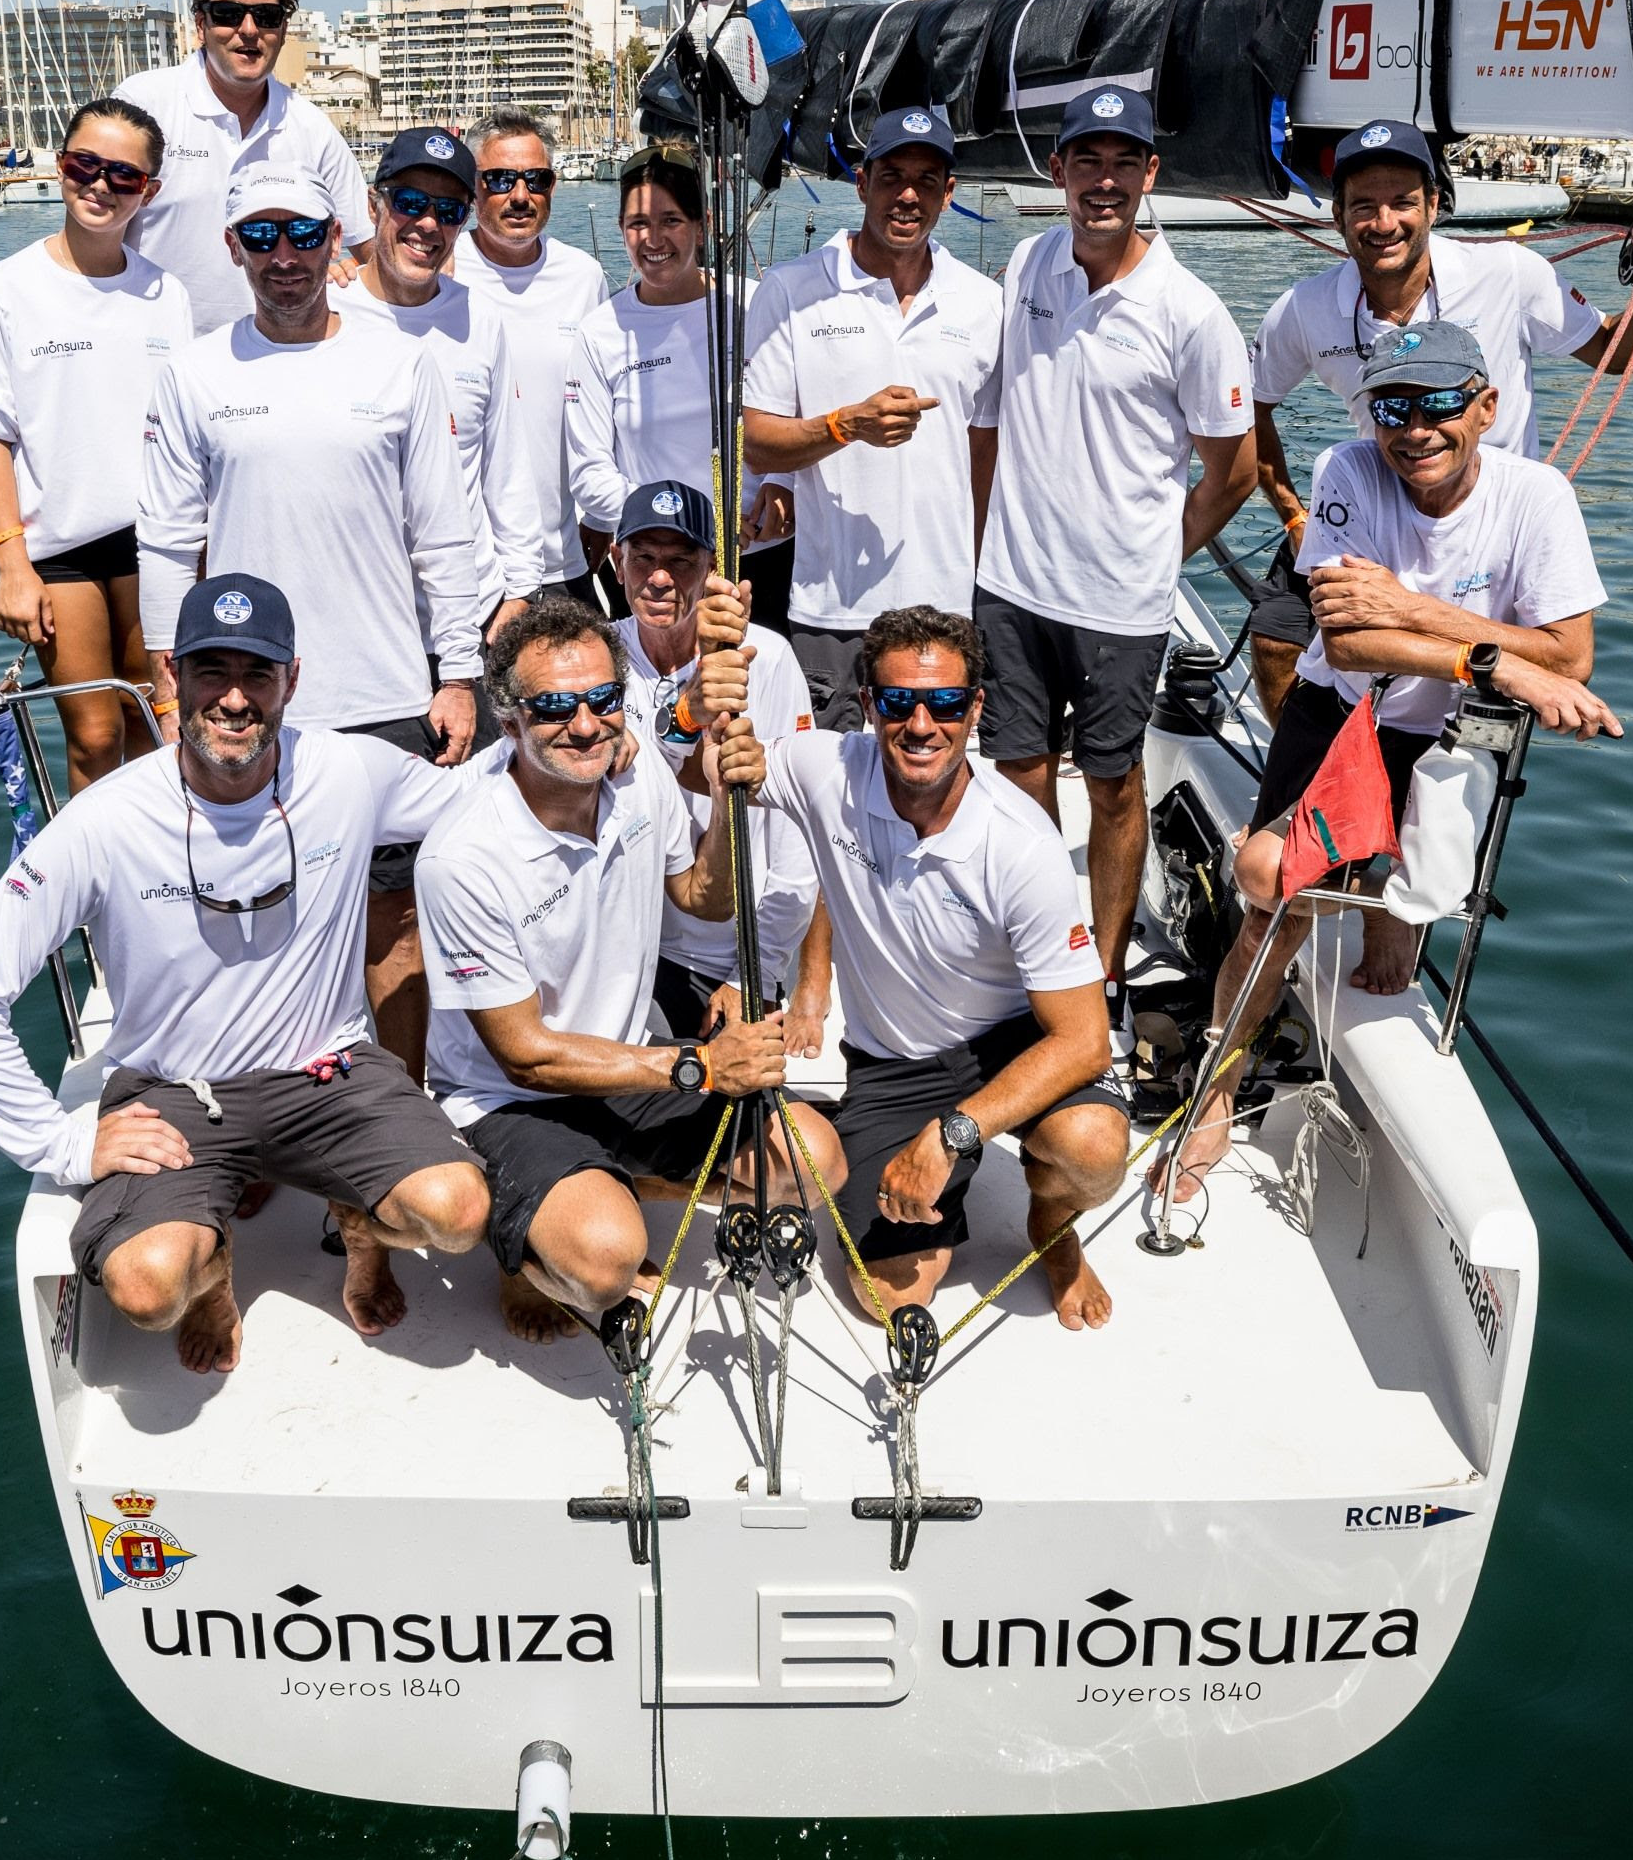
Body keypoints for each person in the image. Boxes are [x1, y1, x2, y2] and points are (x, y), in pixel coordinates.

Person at [0, 575, 493, 1378]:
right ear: (171, 675)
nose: (233, 697)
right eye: (210, 670)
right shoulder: (103, 819)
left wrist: (610, 726)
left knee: (459, 1213)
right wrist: (62, 1142)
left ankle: (361, 1226)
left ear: (292, 680)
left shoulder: (349, 769)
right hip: (176, 1092)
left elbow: (478, 799)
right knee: (147, 1288)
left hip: (327, 1071)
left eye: (257, 672)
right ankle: (214, 1270)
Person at [1174, 324, 1620, 1198]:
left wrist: (1409, 608)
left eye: (1441, 403)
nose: (1415, 428)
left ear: (1487, 407)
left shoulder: (1539, 496)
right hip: (1345, 712)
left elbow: (1572, 657)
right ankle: (1217, 1090)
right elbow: (1348, 643)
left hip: (1452, 733)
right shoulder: (1346, 469)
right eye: (1392, 407)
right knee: (1271, 893)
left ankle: (1390, 892)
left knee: (1417, 896)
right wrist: (1498, 660)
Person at [139, 161, 490, 1084]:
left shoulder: (401, 361)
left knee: (394, 923)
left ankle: (401, 1103)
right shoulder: (193, 372)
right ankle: (257, 1111)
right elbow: (166, 542)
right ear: (233, 248)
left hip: (386, 690)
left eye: (302, 233)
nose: (284, 255)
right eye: (261, 236)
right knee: (245, 914)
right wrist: (169, 692)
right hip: (243, 700)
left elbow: (443, 532)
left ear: (337, 238)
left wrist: (457, 674)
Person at [420, 596, 843, 1342]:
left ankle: (603, 1185)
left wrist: (724, 798)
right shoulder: (462, 858)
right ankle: (520, 1239)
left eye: (602, 698)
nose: (585, 724)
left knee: (814, 1163)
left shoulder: (638, 776)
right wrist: (699, 1068)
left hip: (623, 1062)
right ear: (508, 721)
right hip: (509, 1099)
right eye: (554, 707)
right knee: (607, 1262)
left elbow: (704, 898)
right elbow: (526, 1057)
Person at [971, 84, 1256, 1056]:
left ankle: (1101, 975)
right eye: (1085, 160)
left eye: (1122, 161)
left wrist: (1155, 554)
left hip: (1120, 606)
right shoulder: (1026, 263)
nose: (1103, 180)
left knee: (1111, 785)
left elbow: (1234, 471)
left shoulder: (1191, 311)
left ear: (1149, 173)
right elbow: (991, 415)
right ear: (1056, 170)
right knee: (1016, 776)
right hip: (1013, 586)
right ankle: (1032, 952)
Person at [1240, 119, 1633, 721]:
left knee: (1457, 698)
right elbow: (1248, 406)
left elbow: (1614, 350)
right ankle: (1304, 762)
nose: (1384, 223)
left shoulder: (1509, 273)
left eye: (1403, 202)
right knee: (1277, 635)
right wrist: (1294, 513)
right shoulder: (1305, 307)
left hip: (1485, 529)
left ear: (1434, 204)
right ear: (1338, 216)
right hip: (1375, 510)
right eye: (1364, 206)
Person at [752, 605, 1131, 1329]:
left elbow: (1085, 1041)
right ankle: (897, 1158)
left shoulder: (1022, 843)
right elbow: (707, 765)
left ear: (975, 709)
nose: (921, 724)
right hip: (892, 1063)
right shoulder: (824, 767)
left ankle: (1051, 1223)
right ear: (869, 705)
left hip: (1006, 1043)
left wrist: (953, 1131)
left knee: (1093, 1149)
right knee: (887, 1298)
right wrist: (695, 709)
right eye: (899, 701)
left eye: (946, 702)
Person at [0, 98, 195, 787]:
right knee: (94, 736)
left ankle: (153, 853)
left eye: (124, 175)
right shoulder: (6, 288)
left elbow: (187, 431)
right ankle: (91, 855)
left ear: (148, 191)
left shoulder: (168, 295)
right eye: (84, 164)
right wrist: (12, 566)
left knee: (155, 723)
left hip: (155, 541)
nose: (100, 184)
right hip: (59, 546)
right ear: (60, 166)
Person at [743, 105, 1005, 725]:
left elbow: (983, 453)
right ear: (862, 183)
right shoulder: (790, 291)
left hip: (945, 606)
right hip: (830, 607)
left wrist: (975, 580)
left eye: (926, 180)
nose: (908, 195)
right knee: (829, 773)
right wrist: (845, 426)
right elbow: (756, 443)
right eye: (891, 177)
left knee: (927, 772)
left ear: (948, 192)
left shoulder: (984, 302)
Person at [597, 481, 828, 1046]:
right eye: (643, 557)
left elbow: (797, 831)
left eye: (681, 561)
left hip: (728, 956)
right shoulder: (594, 656)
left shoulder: (767, 657)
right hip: (621, 949)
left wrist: (755, 972)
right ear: (616, 562)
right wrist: (686, 715)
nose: (660, 577)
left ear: (714, 569)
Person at [332, 126, 547, 639]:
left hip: (472, 617)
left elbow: (506, 469)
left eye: (449, 211)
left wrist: (521, 592)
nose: (428, 224)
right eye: (409, 202)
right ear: (374, 205)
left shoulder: (480, 319)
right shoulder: (327, 313)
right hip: (363, 621)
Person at [567, 143, 792, 619]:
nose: (653, 239)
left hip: (759, 559)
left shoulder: (755, 306)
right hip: (658, 570)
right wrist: (689, 524)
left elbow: (794, 412)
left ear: (703, 225)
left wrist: (783, 481)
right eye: (638, 224)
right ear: (621, 229)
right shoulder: (600, 331)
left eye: (670, 220)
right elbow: (589, 475)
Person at [118, 0, 371, 332]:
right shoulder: (145, 104)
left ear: (283, 29)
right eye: (229, 13)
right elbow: (92, 239)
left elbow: (369, 248)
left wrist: (345, 272)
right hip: (156, 350)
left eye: (266, 16)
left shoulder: (311, 127)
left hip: (278, 356)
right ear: (201, 25)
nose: (249, 29)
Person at [447, 113, 610, 608]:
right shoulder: (440, 272)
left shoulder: (583, 276)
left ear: (552, 186)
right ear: (473, 188)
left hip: (562, 559)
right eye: (499, 179)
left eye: (535, 179)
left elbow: (606, 407)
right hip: (464, 569)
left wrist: (600, 516)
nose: (520, 195)